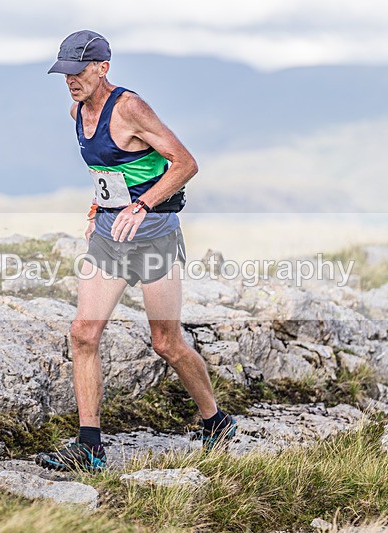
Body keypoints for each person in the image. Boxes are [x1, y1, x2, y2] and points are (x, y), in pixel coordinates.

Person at [36, 30, 236, 473]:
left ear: (102, 68)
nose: (69, 80)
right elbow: (108, 168)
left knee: (166, 342)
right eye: (63, 72)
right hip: (110, 235)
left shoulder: (129, 108)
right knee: (83, 333)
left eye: (77, 71)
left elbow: (185, 163)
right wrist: (98, 205)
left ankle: (216, 421)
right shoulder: (76, 111)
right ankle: (90, 447)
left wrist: (143, 205)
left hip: (154, 235)